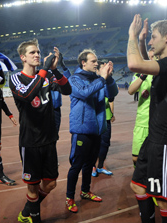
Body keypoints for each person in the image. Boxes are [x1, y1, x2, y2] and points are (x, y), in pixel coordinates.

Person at [128, 15, 167, 223]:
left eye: (153, 37)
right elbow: (150, 63)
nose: (150, 41)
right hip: (154, 139)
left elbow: (135, 65)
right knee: (138, 185)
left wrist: (132, 35)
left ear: (166, 38)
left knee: (165, 201)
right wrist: (140, 41)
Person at [9, 39, 71, 223]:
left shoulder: (46, 76)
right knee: (33, 186)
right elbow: (28, 95)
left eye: (38, 52)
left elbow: (67, 89)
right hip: (31, 141)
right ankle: (33, 219)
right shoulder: (15, 78)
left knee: (50, 183)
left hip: (49, 139)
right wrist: (44, 70)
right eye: (32, 53)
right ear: (23, 57)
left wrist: (55, 69)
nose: (37, 55)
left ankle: (27, 210)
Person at [66, 49, 118, 213]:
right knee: (77, 165)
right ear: (83, 63)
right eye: (94, 61)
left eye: (97, 61)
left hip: (97, 129)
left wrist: (108, 79)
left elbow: (113, 94)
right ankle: (69, 197)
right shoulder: (74, 79)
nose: (97, 63)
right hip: (82, 129)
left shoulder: (99, 79)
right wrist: (102, 78)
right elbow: (84, 92)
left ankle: (85, 191)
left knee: (90, 164)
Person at [128, 49, 156, 167]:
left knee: (154, 158)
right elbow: (131, 90)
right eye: (149, 57)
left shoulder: (164, 74)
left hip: (158, 123)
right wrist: (143, 75)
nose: (151, 59)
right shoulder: (140, 74)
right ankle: (139, 179)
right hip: (142, 121)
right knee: (136, 158)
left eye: (154, 57)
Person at [92, 61, 116, 177]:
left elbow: (111, 99)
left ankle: (100, 166)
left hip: (106, 117)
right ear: (97, 70)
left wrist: (111, 113)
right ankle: (92, 166)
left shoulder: (108, 83)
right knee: (94, 144)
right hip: (95, 119)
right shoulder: (93, 82)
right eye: (102, 68)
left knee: (105, 143)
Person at [51, 53, 71, 133]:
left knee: (55, 133)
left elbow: (68, 79)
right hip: (46, 109)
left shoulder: (58, 75)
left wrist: (63, 65)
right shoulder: (43, 74)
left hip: (56, 109)